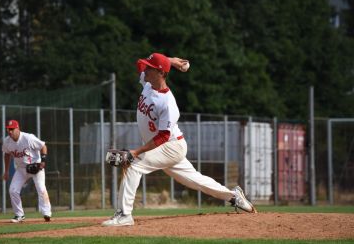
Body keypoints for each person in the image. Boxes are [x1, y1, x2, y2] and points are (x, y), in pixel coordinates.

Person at [102, 53, 257, 227]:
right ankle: (234, 196)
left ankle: (124, 215)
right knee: (195, 180)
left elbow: (163, 136)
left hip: (170, 146)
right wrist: (170, 61)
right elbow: (139, 63)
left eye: (150, 68)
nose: (145, 69)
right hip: (162, 148)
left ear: (160, 73)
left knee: (133, 165)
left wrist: (136, 152)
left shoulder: (167, 103)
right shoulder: (147, 84)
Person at [2, 119, 52, 223]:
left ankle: (46, 213)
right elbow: (6, 154)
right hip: (21, 169)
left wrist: (43, 161)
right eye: (8, 129)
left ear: (17, 128)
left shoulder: (28, 138)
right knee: (13, 190)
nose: (10, 131)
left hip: (36, 167)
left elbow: (43, 146)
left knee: (41, 189)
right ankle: (19, 215)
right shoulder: (7, 141)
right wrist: (6, 171)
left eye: (12, 129)